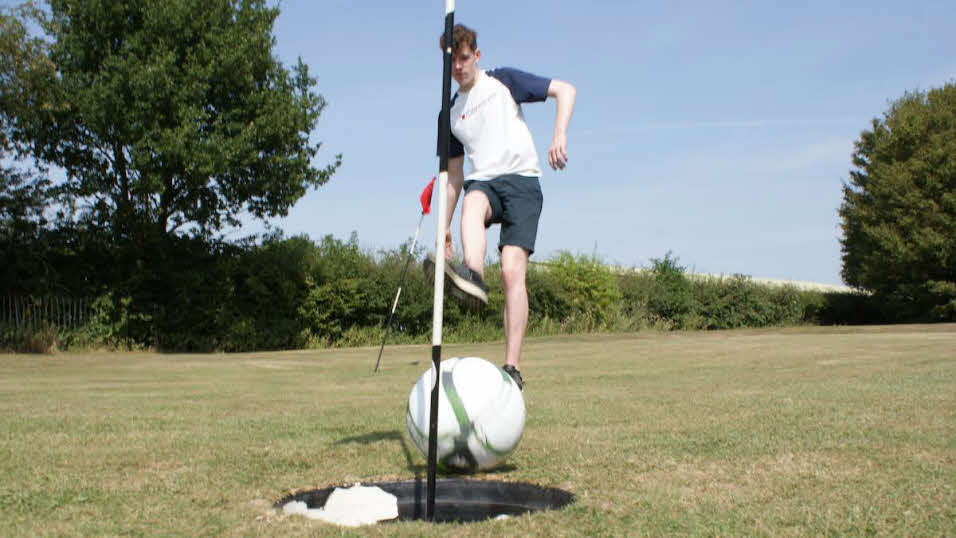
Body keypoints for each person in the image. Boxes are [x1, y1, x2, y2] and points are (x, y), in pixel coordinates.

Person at [425, 24, 576, 391]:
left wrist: (559, 133)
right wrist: (443, 227)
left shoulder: (503, 81)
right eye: (452, 62)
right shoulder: (448, 116)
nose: (459, 68)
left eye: (464, 58)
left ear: (476, 56)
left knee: (511, 272)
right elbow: (455, 178)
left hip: (523, 181)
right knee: (472, 201)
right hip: (486, 182)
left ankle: (512, 366)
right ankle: (472, 274)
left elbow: (564, 90)